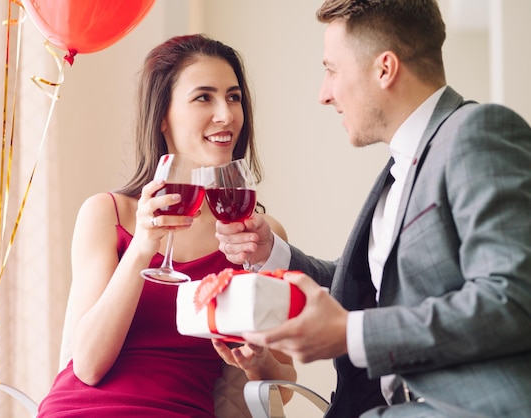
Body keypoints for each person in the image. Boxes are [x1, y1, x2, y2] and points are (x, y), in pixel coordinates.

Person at [215, 1, 531, 417]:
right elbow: (368, 292)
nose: (323, 94)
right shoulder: (402, 165)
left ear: (385, 69)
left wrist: (352, 333)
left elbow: (511, 300)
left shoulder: (476, 132)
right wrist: (271, 251)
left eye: (332, 69)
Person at [37, 34, 296, 417]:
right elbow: (88, 367)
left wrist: (256, 357)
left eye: (234, 97)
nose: (226, 114)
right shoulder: (106, 214)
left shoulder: (255, 235)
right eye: (203, 97)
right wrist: (143, 246)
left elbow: (283, 388)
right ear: (162, 116)